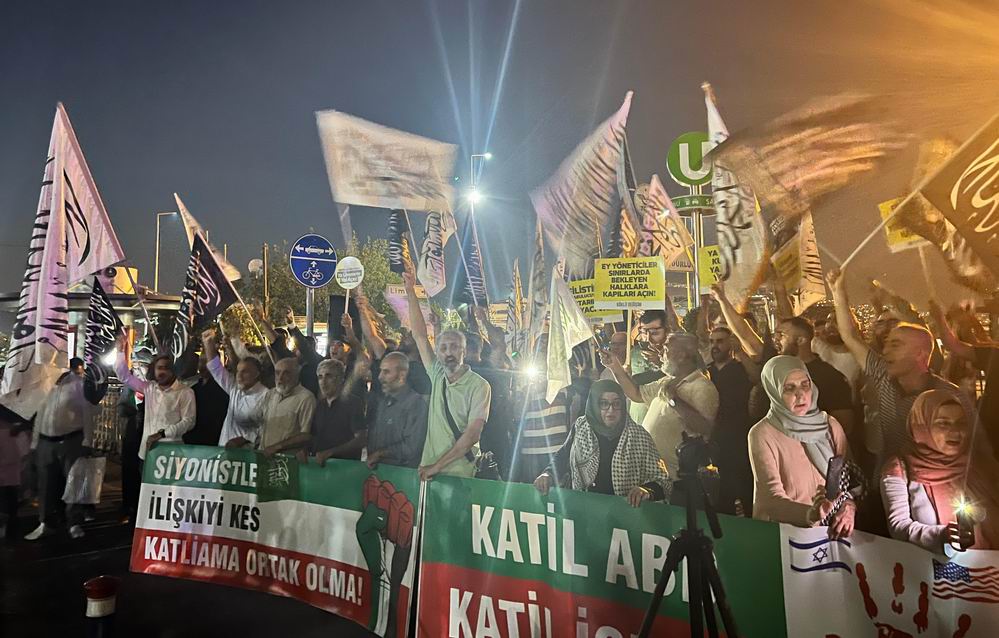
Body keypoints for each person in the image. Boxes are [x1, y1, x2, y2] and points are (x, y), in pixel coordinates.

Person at [827, 268, 971, 463]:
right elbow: (850, 336)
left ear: (920, 353)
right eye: (886, 344)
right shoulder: (883, 378)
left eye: (895, 345)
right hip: (888, 482)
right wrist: (838, 292)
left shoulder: (951, 397)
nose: (885, 351)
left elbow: (975, 451)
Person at [749, 356, 855, 538]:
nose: (800, 394)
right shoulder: (763, 433)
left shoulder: (829, 426)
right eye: (789, 388)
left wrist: (848, 507)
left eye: (805, 385)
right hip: (786, 538)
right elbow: (770, 499)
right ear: (773, 391)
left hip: (831, 533)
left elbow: (851, 480)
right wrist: (810, 513)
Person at [881, 389, 999, 552]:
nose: (955, 431)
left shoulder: (978, 464)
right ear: (921, 425)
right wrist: (943, 535)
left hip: (989, 570)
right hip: (935, 571)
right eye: (943, 423)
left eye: (961, 423)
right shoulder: (900, 469)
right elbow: (899, 527)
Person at [403, 272, 491, 480]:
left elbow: (472, 435)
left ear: (464, 351)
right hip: (429, 470)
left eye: (454, 347)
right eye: (443, 348)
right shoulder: (437, 375)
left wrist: (437, 466)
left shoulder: (480, 386)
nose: (448, 352)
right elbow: (420, 336)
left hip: (460, 474)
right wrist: (410, 291)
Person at [533, 379, 670, 506]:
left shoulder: (639, 437)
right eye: (604, 403)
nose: (611, 410)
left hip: (624, 519)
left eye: (616, 404)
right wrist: (548, 474)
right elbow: (563, 457)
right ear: (594, 405)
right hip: (584, 512)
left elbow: (663, 482)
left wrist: (645, 491)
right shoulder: (581, 427)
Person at [602, 332, 718, 479]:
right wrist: (615, 367)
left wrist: (673, 400)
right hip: (652, 474)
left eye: (666, 350)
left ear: (681, 355)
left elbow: (705, 429)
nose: (661, 354)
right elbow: (636, 394)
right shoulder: (666, 382)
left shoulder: (702, 387)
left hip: (677, 479)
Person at [23, 359, 100, 540]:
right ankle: (46, 522)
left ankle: (74, 522)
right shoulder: (43, 385)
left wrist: (88, 442)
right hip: (45, 441)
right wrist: (35, 443)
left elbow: (88, 413)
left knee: (73, 483)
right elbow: (40, 415)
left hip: (71, 440)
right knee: (46, 483)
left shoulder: (78, 385)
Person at [114, 337, 196, 467]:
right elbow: (124, 376)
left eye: (166, 368)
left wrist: (162, 434)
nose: (162, 372)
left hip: (171, 456)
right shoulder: (149, 388)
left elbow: (189, 422)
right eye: (159, 368)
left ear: (173, 370)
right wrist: (119, 351)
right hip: (147, 453)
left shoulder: (185, 392)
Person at [773, 316, 855, 433]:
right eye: (775, 334)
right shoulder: (777, 370)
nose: (776, 339)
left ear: (801, 340)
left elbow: (844, 424)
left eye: (782, 335)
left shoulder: (830, 377)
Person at [706, 326, 755, 515]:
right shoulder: (707, 371)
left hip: (738, 439)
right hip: (716, 439)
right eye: (712, 342)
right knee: (721, 493)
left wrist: (741, 352)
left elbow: (757, 377)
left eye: (720, 341)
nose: (715, 346)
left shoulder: (739, 368)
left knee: (744, 489)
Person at [202, 330, 269, 448]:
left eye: (245, 372)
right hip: (224, 453)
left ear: (257, 373)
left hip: (248, 457)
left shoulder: (267, 396)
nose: (239, 375)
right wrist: (208, 343)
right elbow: (215, 368)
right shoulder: (234, 389)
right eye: (238, 371)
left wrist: (246, 438)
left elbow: (268, 428)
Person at [366, 352, 428, 468]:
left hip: (401, 478)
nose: (380, 377)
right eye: (381, 371)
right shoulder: (383, 401)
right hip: (378, 475)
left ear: (402, 375)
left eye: (386, 372)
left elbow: (412, 447)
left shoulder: (415, 404)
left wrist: (380, 454)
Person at [307, 359, 367, 464]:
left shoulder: (353, 403)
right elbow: (313, 436)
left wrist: (331, 452)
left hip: (344, 467)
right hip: (320, 466)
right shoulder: (320, 405)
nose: (323, 382)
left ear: (341, 379)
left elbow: (361, 439)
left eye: (328, 376)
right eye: (320, 377)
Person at [257, 357, 317, 457]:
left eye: (286, 373)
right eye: (277, 373)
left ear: (296, 375)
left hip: (287, 461)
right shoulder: (270, 394)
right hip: (265, 457)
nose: (280, 378)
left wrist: (277, 447)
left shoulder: (306, 398)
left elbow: (306, 435)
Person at [183, 355, 230, 446]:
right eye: (201, 361)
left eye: (206, 361)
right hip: (191, 441)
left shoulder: (224, 389)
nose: (202, 365)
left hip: (212, 441)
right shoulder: (193, 388)